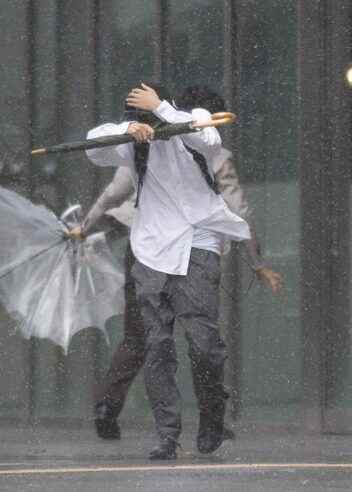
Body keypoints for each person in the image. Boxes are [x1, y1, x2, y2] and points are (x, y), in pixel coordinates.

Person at [73, 86, 283, 445]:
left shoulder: (194, 125)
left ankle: (212, 413)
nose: (142, 124)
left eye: (146, 115)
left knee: (203, 342)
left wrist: (255, 259)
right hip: (150, 251)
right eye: (136, 118)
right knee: (154, 344)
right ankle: (166, 434)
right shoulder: (133, 145)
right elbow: (96, 149)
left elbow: (210, 140)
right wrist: (128, 132)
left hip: (199, 245)